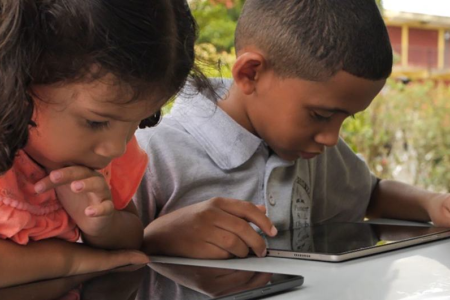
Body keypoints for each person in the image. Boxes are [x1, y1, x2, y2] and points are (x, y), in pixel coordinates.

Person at [133, 0, 450, 260]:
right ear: (251, 73)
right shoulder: (154, 153)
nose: (331, 137)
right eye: (320, 115)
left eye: (346, 119)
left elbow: (371, 195)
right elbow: (94, 256)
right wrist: (154, 238)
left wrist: (431, 203)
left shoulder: (314, 152)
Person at [0, 0, 213, 287]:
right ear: (20, 80)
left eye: (138, 121)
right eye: (96, 122)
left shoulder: (102, 152)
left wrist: (101, 226)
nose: (117, 148)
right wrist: (75, 261)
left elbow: (131, 235)